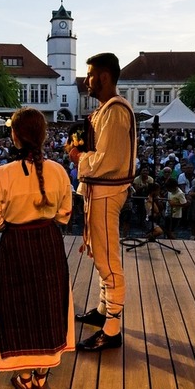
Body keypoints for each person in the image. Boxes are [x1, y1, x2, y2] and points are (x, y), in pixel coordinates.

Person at [0, 108, 75, 389]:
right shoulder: (59, 171)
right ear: (43, 136)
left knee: (17, 307)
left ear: (16, 137)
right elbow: (64, 215)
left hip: (17, 245)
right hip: (48, 242)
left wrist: (12, 218)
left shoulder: (2, 175)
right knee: (49, 303)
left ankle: (24, 377)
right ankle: (42, 376)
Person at [66, 53, 137, 352]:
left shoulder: (116, 111)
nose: (86, 81)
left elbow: (107, 160)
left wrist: (77, 156)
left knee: (109, 259)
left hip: (107, 193)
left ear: (105, 77)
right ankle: (102, 308)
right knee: (100, 253)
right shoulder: (105, 111)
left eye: (91, 75)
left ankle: (112, 328)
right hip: (99, 192)